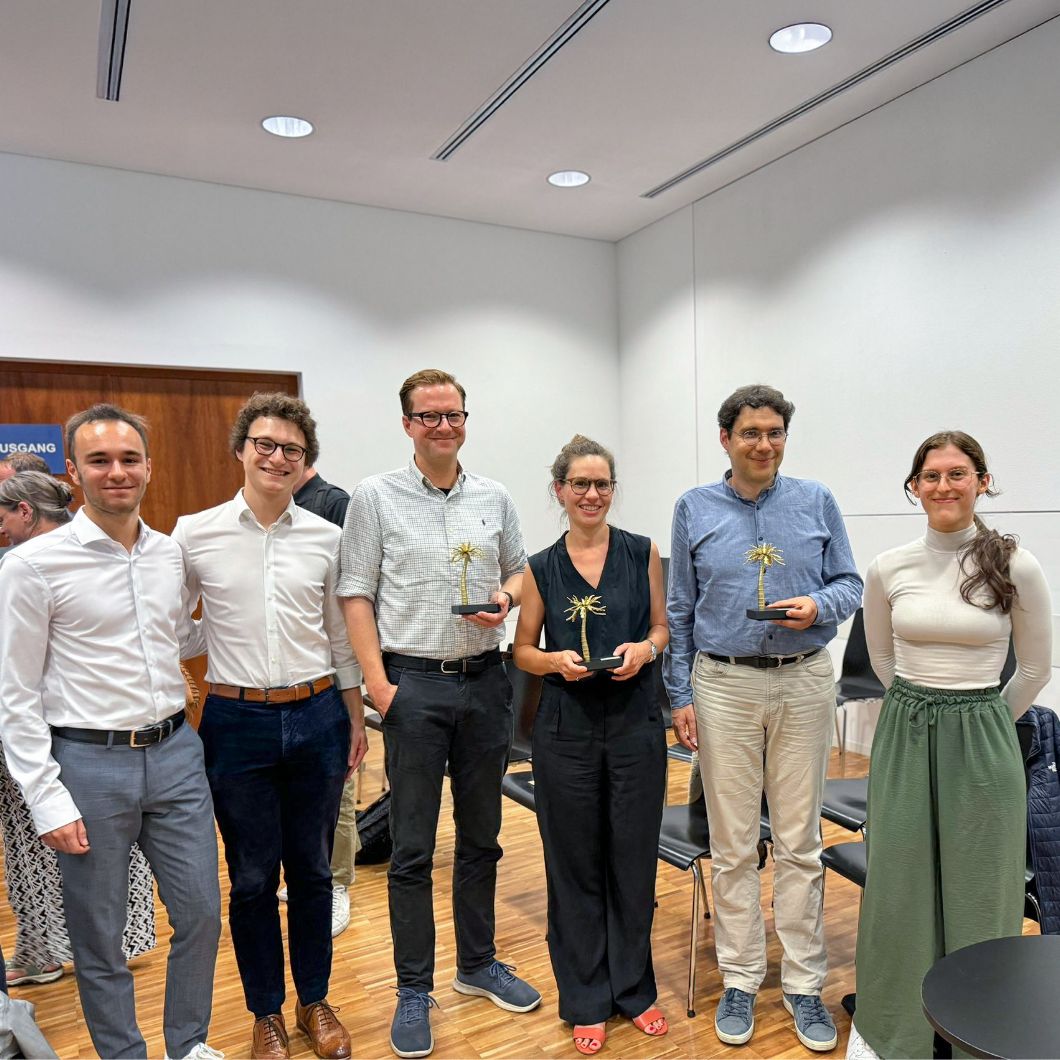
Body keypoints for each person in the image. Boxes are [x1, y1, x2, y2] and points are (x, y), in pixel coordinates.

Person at [0, 405, 222, 1060]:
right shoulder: (34, 566)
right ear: (74, 471)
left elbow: (179, 637)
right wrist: (47, 798)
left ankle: (188, 1045)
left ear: (148, 467)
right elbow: (14, 695)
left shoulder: (169, 555)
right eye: (99, 460)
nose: (117, 471)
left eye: (129, 458)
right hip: (88, 764)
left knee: (203, 915)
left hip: (178, 753)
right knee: (100, 937)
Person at [339, 368, 540, 1059]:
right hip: (413, 689)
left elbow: (519, 570)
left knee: (483, 838)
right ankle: (413, 988)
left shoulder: (495, 496)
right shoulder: (374, 497)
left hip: (487, 685)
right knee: (414, 848)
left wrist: (508, 602)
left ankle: (478, 964)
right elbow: (355, 593)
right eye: (429, 417)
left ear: (465, 419)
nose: (443, 426)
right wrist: (378, 684)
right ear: (407, 425)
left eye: (453, 414)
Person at [666, 384, 862, 1053]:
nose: (764, 444)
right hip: (722, 685)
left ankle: (805, 983)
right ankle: (743, 978)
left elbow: (850, 585)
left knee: (802, 842)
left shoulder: (816, 501)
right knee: (733, 845)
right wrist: (680, 696)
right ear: (726, 439)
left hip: (803, 680)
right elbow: (680, 608)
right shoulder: (694, 508)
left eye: (775, 432)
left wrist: (819, 607)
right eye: (751, 432)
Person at [848, 431, 1053, 1060]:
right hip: (906, 735)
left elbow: (1036, 669)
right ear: (914, 487)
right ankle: (897, 1029)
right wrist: (923, 711)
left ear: (982, 481)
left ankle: (979, 1034)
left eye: (958, 473)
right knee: (899, 885)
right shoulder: (890, 566)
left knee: (980, 888)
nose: (944, 485)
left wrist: (980, 720)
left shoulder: (1016, 563)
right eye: (931, 475)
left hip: (983, 740)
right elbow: (881, 657)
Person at [173, 393, 366, 1060]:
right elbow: (172, 623)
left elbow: (341, 639)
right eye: (265, 444)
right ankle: (267, 1014)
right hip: (237, 723)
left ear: (304, 461)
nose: (277, 457)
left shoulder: (327, 537)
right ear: (241, 450)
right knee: (252, 878)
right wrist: (191, 679)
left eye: (291, 449)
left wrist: (354, 716)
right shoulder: (193, 533)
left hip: (317, 717)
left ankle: (315, 1001)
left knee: (312, 871)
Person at [513, 435, 669, 1056]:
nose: (592, 494)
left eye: (602, 483)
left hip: (634, 725)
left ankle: (634, 989)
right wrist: (552, 661)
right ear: (559, 491)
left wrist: (646, 649)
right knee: (573, 865)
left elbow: (660, 626)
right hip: (565, 731)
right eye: (579, 483)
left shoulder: (643, 552)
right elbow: (521, 649)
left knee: (632, 861)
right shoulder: (539, 565)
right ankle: (584, 996)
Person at [0, 471, 158, 989]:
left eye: (3, 514)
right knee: (57, 851)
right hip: (45, 741)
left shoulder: (38, 564)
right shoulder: (23, 567)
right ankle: (57, 948)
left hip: (70, 741)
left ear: (26, 510)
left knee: (70, 850)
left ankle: (65, 948)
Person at [287, 461, 361, 938]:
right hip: (293, 684)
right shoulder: (281, 509)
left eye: (288, 449)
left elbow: (351, 599)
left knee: (340, 793)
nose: (275, 459)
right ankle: (310, 876)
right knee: (300, 798)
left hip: (334, 678)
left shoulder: (333, 504)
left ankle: (336, 885)